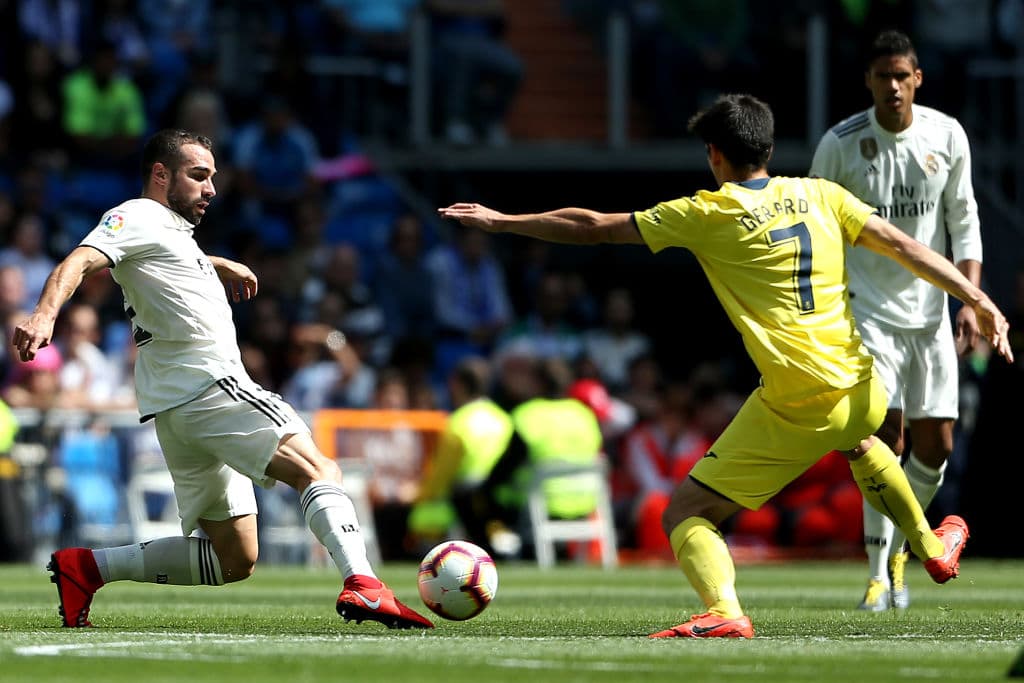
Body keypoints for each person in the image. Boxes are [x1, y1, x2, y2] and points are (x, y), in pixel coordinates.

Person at [438, 93, 1014, 638]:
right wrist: (978, 298)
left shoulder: (709, 212)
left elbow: (594, 227)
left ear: (714, 154)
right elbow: (908, 246)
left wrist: (503, 221)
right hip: (863, 387)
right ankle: (931, 547)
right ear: (768, 147)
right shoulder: (822, 195)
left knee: (685, 513)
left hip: (797, 401)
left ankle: (723, 611)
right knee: (861, 441)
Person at [13, 129, 433, 629]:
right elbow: (81, 259)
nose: (211, 188)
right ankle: (365, 583)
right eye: (198, 175)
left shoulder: (167, 233)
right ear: (160, 174)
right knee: (319, 470)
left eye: (212, 176)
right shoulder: (137, 214)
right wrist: (44, 315)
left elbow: (154, 262)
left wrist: (212, 263)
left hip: (176, 408)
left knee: (233, 559)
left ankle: (87, 568)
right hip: (212, 386)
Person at [809, 30, 984, 612]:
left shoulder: (946, 135)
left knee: (936, 447)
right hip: (867, 312)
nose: (892, 85)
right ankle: (878, 576)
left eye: (901, 75)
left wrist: (969, 300)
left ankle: (902, 550)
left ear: (917, 79)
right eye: (882, 75)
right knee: (886, 439)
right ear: (868, 81)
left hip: (931, 315)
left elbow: (964, 220)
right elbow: (818, 227)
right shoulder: (840, 144)